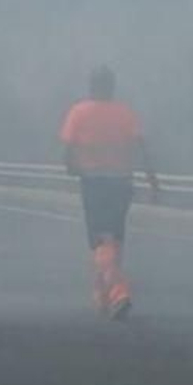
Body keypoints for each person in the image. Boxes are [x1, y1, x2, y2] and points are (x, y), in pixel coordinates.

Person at [60, 65, 160, 319]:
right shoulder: (125, 113)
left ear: (91, 87)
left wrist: (72, 167)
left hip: (94, 182)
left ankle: (118, 291)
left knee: (99, 239)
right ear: (112, 87)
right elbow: (141, 147)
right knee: (114, 238)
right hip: (122, 183)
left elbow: (68, 148)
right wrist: (152, 180)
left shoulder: (79, 112)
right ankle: (102, 295)